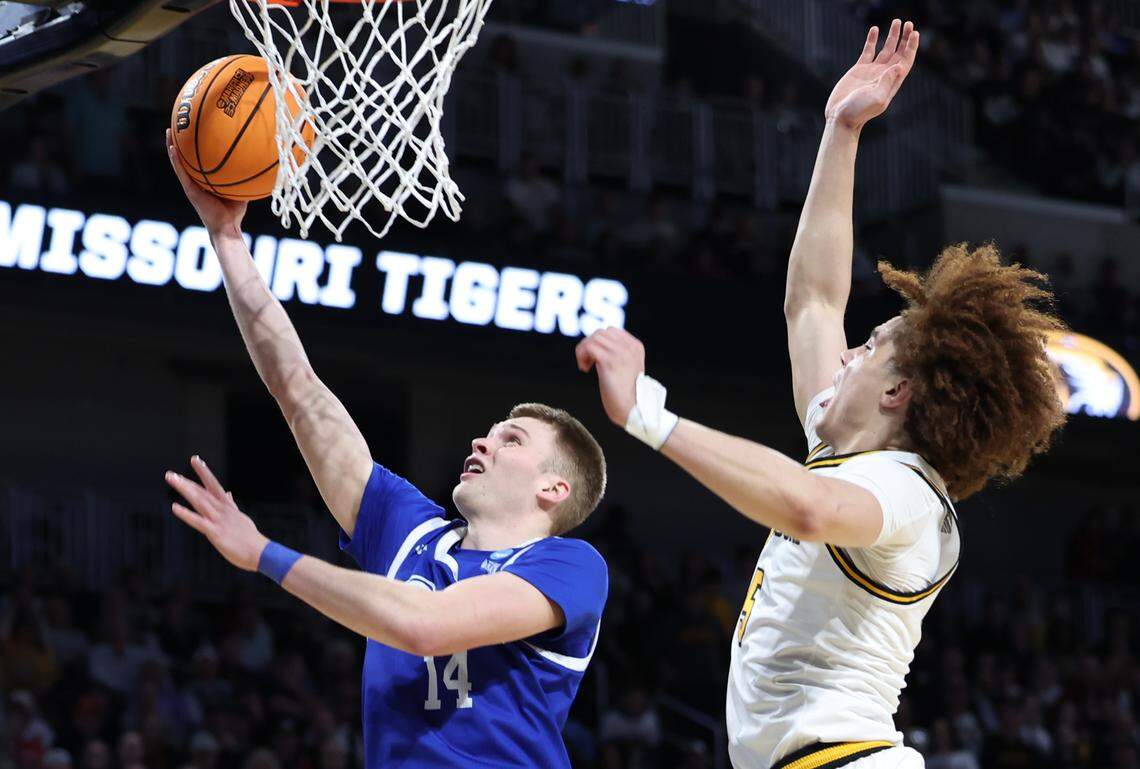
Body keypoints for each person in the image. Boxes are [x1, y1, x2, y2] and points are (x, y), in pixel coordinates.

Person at [576, 19, 1066, 769]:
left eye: (868, 347)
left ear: (899, 389)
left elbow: (805, 507)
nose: (848, 354)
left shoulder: (908, 496)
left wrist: (648, 414)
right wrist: (841, 131)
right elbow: (810, 299)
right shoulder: (840, 447)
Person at [162, 130, 609, 769]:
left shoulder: (571, 565)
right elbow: (299, 392)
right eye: (490, 431)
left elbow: (426, 624)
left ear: (553, 489)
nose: (482, 439)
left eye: (511, 439)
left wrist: (264, 553)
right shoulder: (408, 529)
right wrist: (226, 238)